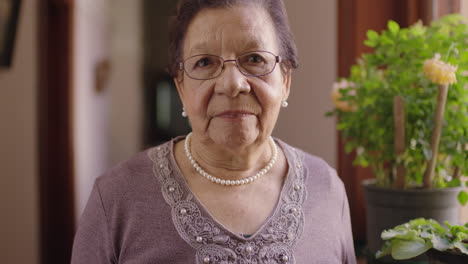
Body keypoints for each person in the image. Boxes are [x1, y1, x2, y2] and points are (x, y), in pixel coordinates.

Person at [71, 0, 356, 263]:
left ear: (285, 80)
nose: (232, 84)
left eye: (254, 59)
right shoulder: (116, 198)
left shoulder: (327, 189)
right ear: (181, 87)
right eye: (204, 62)